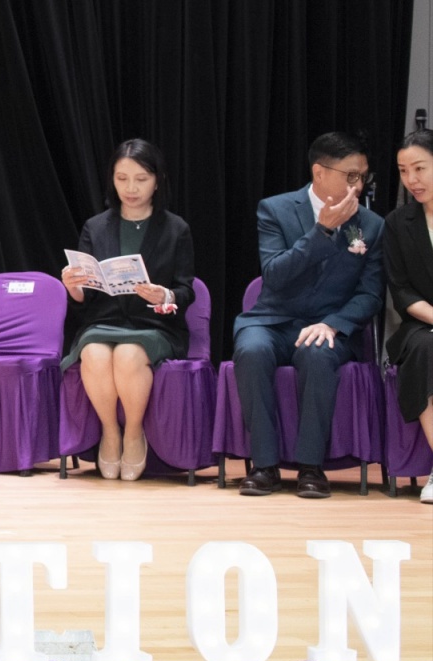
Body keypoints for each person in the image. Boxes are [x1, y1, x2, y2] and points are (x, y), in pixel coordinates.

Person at [232, 131, 384, 498]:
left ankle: (311, 468)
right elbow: (275, 274)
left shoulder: (371, 225)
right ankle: (264, 466)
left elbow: (370, 294)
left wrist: (333, 323)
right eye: (351, 175)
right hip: (272, 320)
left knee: (317, 354)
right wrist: (322, 230)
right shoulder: (275, 209)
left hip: (329, 324)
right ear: (319, 172)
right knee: (251, 350)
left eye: (363, 176)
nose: (358, 185)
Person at [58, 139, 195, 481]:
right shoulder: (95, 227)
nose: (131, 188)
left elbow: (185, 290)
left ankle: (134, 432)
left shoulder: (176, 228)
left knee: (129, 355)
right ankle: (110, 431)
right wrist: (73, 286)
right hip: (104, 322)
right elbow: (85, 299)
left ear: (157, 181)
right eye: (122, 179)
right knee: (93, 354)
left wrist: (162, 294)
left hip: (154, 325)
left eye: (141, 179)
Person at [382, 128, 433, 503]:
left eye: (420, 168)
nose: (411, 179)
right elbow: (401, 290)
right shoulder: (398, 223)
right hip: (421, 323)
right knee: (426, 349)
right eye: (403, 171)